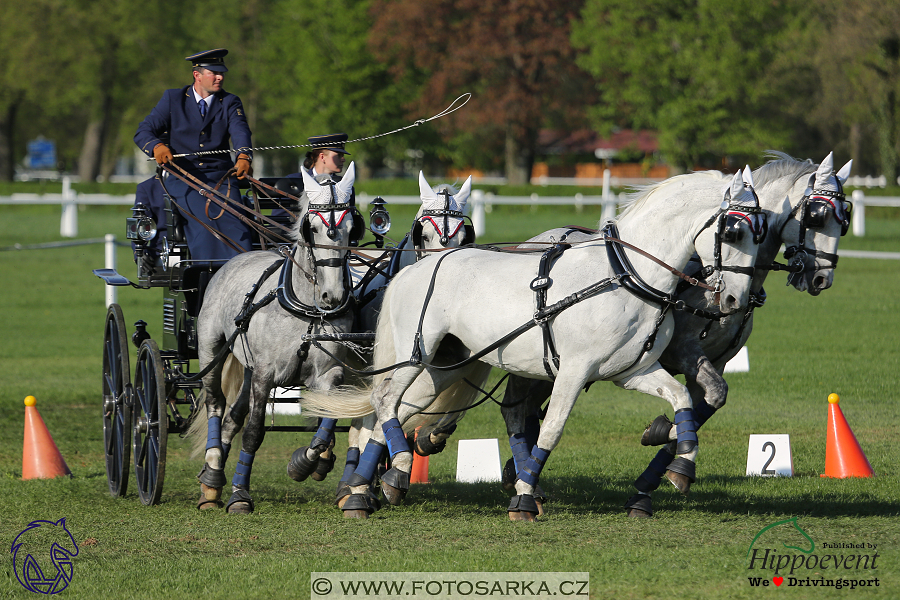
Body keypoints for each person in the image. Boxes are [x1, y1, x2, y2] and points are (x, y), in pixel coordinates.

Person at [134, 48, 253, 263]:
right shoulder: (173, 99)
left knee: (238, 225)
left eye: (222, 73)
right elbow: (143, 131)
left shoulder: (230, 102)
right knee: (204, 224)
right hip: (183, 180)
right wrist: (157, 147)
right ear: (197, 75)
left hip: (222, 180)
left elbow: (240, 130)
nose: (220, 77)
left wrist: (244, 155)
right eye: (213, 73)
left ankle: (243, 276)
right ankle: (209, 276)